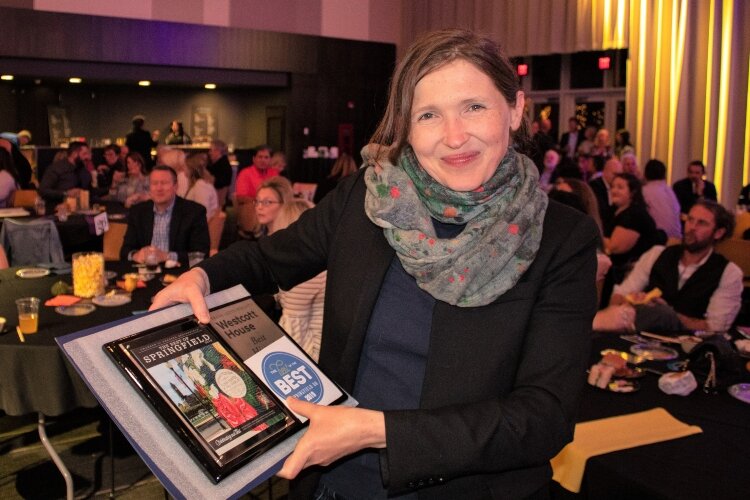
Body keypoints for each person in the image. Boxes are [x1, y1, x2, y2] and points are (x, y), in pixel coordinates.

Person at [151, 29, 597, 498]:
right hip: (331, 484)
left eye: (474, 107)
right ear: (406, 126)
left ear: (516, 108)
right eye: (429, 115)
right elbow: (268, 258)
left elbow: (543, 418)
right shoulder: (371, 197)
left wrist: (376, 430)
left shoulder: (560, 239)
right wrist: (201, 276)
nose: (454, 136)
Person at [599, 200, 742, 332]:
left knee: (662, 313)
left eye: (702, 223)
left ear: (718, 233)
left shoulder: (728, 272)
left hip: (689, 347)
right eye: (690, 220)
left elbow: (715, 327)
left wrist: (669, 314)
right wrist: (632, 301)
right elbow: (619, 296)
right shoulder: (657, 254)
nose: (692, 227)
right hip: (641, 338)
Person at [120, 165, 209, 265]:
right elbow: (124, 251)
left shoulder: (194, 212)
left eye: (164, 183)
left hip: (180, 274)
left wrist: (167, 256)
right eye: (154, 183)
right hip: (144, 272)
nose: (159, 188)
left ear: (175, 186)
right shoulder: (138, 212)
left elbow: (201, 254)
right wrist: (135, 255)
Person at [273, 199, 327, 362]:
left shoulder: (302, 274)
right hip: (325, 349)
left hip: (313, 357)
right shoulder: (322, 264)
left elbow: (293, 332)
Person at [604, 172, 663, 283]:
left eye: (620, 187)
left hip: (629, 272)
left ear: (632, 192)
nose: (614, 191)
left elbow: (614, 248)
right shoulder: (613, 210)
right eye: (612, 187)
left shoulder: (635, 214)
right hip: (614, 268)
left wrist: (596, 239)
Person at [38, 141, 92, 209]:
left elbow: (90, 191)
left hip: (81, 210)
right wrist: (66, 193)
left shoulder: (83, 170)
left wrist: (108, 190)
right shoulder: (56, 168)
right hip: (57, 210)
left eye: (88, 154)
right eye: (85, 154)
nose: (88, 157)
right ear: (74, 154)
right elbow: (43, 191)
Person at [642, 159, 682, 239]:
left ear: (645, 174)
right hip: (677, 238)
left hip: (658, 240)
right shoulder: (670, 191)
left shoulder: (644, 191)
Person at [183, 152, 219, 220]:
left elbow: (203, 214)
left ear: (191, 168)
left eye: (184, 165)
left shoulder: (201, 186)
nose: (183, 168)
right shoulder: (197, 184)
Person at [207, 139, 232, 208]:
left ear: (218, 151)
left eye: (211, 150)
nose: (209, 153)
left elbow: (219, 184)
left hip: (216, 203)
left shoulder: (221, 166)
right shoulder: (222, 164)